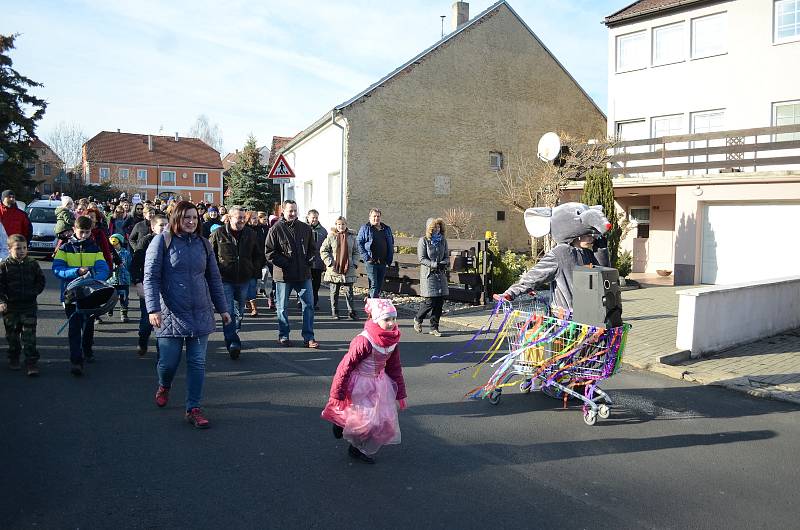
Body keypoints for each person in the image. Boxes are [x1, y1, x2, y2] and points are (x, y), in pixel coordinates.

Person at [144, 201, 230, 428]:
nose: (191, 222)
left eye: (194, 217)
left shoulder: (204, 244)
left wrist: (223, 309)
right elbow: (151, 277)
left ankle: (193, 408)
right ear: (176, 220)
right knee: (168, 363)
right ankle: (164, 385)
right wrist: (153, 309)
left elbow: (214, 278)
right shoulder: (161, 241)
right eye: (186, 218)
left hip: (200, 312)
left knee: (197, 362)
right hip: (170, 313)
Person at [321, 298, 407, 464]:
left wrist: (400, 394)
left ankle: (357, 449)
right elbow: (345, 366)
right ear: (375, 319)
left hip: (380, 383)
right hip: (360, 383)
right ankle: (340, 423)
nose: (391, 323)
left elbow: (394, 367)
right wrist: (337, 393)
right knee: (363, 422)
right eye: (386, 319)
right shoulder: (364, 341)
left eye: (394, 319)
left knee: (382, 422)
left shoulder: (392, 340)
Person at [496, 202, 611, 310]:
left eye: (592, 234)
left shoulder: (588, 253)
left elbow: (604, 273)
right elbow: (535, 275)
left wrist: (601, 250)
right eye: (586, 234)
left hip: (589, 314)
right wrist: (511, 293)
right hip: (566, 319)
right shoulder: (561, 253)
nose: (591, 238)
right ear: (575, 234)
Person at [52, 215, 111, 375]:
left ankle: (87, 350)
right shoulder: (64, 248)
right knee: (74, 327)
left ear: (91, 231)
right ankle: (76, 361)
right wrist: (76, 272)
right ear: (74, 230)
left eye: (87, 232)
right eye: (81, 232)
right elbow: (57, 269)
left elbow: (104, 269)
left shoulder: (94, 248)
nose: (84, 235)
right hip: (70, 295)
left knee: (88, 325)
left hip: (89, 294)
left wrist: (92, 279)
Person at [208, 205, 261, 360]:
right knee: (229, 312)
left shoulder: (250, 234)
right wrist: (215, 273)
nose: (242, 220)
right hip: (224, 279)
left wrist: (253, 270)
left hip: (244, 278)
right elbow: (210, 255)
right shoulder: (218, 233)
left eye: (244, 218)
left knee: (239, 313)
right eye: (239, 217)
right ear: (229, 217)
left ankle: (233, 333)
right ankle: (233, 342)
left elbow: (258, 255)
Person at [264, 199, 319, 348]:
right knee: (282, 307)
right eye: (290, 210)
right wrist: (286, 263)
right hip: (284, 276)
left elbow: (313, 249)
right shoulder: (275, 229)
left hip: (303, 275)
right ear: (283, 210)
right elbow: (269, 253)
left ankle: (308, 337)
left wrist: (310, 260)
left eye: (295, 210)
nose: (293, 213)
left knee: (309, 305)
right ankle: (284, 335)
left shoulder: (305, 228)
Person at [0, 235, 46, 376]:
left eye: (24, 248)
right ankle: (14, 357)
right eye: (17, 248)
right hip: (11, 308)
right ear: (9, 249)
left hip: (29, 306)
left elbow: (41, 280)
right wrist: (2, 301)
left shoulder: (32, 264)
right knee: (12, 335)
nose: (21, 251)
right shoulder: (4, 266)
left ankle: (31, 362)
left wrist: (34, 292)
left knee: (29, 336)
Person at [130, 213, 168, 356]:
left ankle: (162, 352)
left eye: (166, 225)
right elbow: (135, 265)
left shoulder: (172, 241)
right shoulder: (145, 242)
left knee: (163, 321)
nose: (164, 228)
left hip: (166, 287)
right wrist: (138, 283)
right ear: (152, 227)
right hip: (148, 286)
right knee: (147, 320)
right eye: (161, 225)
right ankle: (143, 339)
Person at [413, 218, 450, 337]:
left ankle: (434, 327)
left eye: (439, 227)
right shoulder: (423, 241)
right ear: (430, 228)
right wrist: (434, 264)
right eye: (435, 227)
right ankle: (418, 319)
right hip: (429, 274)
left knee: (439, 302)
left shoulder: (443, 240)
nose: (437, 229)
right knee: (430, 301)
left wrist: (444, 263)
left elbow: (446, 256)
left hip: (440, 274)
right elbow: (422, 258)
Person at [320, 216, 359, 320]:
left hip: (348, 268)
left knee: (349, 292)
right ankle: (335, 312)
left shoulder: (352, 237)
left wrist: (354, 263)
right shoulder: (331, 237)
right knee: (334, 292)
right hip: (334, 268)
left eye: (343, 224)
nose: (341, 226)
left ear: (346, 225)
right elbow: (323, 250)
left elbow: (356, 251)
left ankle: (351, 312)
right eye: (339, 224)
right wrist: (329, 262)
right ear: (336, 225)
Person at [357, 208, 394, 299]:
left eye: (378, 216)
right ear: (370, 217)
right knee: (373, 284)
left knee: (379, 285)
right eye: (374, 216)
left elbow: (391, 242)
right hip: (371, 262)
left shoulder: (386, 229)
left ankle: (370, 303)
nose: (376, 218)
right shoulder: (365, 228)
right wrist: (367, 257)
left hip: (382, 262)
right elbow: (359, 243)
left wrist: (389, 258)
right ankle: (375, 306)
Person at [246, 211, 269, 316]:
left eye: (256, 218)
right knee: (245, 285)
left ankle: (254, 308)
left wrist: (263, 259)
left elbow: (263, 245)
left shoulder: (261, 230)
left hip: (256, 262)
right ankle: (247, 302)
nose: (255, 220)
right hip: (245, 262)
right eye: (253, 218)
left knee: (252, 285)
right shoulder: (245, 230)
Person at [305, 209, 327, 310]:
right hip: (305, 262)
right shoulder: (303, 228)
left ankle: (314, 302)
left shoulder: (323, 231)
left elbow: (327, 247)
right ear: (308, 217)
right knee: (305, 283)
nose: (314, 219)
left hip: (318, 262)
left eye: (316, 218)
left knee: (316, 284)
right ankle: (302, 301)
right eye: (312, 217)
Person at [108, 233, 131, 322]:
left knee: (124, 297)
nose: (114, 247)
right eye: (112, 245)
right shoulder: (108, 254)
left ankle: (124, 313)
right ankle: (109, 308)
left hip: (124, 279)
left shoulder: (126, 253)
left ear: (120, 243)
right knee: (111, 296)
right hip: (111, 280)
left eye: (116, 244)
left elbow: (129, 265)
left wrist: (129, 274)